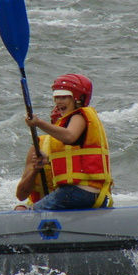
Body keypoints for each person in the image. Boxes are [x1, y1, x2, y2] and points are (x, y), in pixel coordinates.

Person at [23, 74, 113, 210]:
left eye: (64, 97)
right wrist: (47, 160)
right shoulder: (72, 120)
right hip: (91, 194)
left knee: (32, 212)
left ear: (78, 98)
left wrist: (38, 123)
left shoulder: (79, 116)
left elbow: (70, 136)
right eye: (56, 97)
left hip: (78, 192)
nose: (58, 101)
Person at [14, 106, 60, 210]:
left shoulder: (82, 146)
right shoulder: (38, 147)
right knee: (20, 209)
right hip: (39, 205)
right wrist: (35, 170)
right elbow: (21, 195)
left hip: (70, 205)